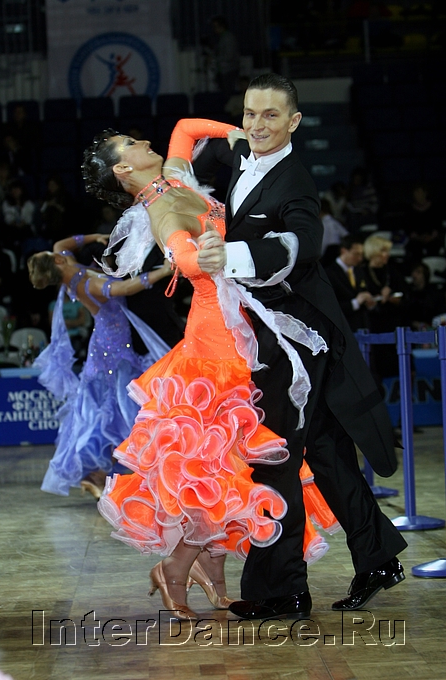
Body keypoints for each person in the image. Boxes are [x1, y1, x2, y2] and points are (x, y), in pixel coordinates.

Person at [81, 119, 337, 620]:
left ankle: (212, 570)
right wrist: (213, 254)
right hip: (214, 345)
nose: (145, 141)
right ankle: (175, 568)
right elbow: (189, 263)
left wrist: (236, 134)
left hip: (238, 331)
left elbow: (185, 128)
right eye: (132, 144)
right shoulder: (161, 208)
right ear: (124, 169)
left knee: (231, 460)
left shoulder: (177, 179)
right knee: (215, 462)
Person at [192, 73, 407, 619]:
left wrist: (232, 257)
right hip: (272, 332)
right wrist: (174, 173)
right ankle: (378, 556)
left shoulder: (296, 182)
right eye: (249, 113)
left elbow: (302, 243)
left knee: (276, 456)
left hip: (296, 341)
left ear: (294, 122)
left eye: (270, 115)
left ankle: (284, 589)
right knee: (327, 452)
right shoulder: (240, 155)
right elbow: (189, 138)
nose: (257, 125)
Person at [27, 233, 173, 499]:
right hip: (115, 347)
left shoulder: (66, 263)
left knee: (109, 406)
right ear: (57, 262)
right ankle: (99, 471)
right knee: (118, 407)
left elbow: (62, 244)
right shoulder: (85, 283)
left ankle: (98, 473)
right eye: (52, 254)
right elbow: (124, 289)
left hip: (106, 341)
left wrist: (95, 237)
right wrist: (162, 271)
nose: (56, 250)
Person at [362, 234, 409, 379]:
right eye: (383, 251)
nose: (387, 254)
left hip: (393, 323)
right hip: (372, 325)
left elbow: (407, 296)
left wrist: (396, 299)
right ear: (373, 251)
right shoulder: (361, 272)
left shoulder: (392, 271)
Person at [325, 234, 375, 332]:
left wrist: (369, 303)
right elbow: (330, 307)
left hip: (362, 328)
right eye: (356, 254)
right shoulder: (328, 274)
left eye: (361, 254)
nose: (360, 258)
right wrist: (355, 303)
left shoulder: (359, 272)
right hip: (342, 329)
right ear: (344, 251)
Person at [210, 15, 241, 98]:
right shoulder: (223, 38)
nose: (214, 29)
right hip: (224, 70)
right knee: (224, 93)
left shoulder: (228, 38)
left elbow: (229, 56)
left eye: (215, 26)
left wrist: (215, 59)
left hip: (229, 70)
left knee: (228, 94)